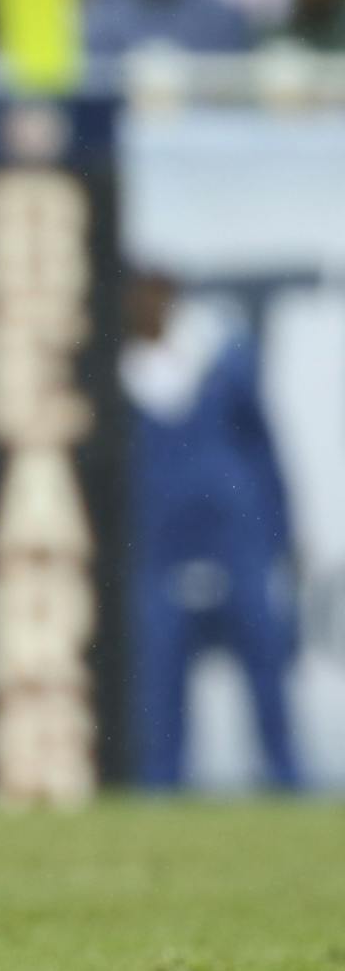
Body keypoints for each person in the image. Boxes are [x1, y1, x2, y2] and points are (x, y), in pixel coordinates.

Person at [122, 271, 302, 790]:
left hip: (234, 541)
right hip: (158, 549)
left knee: (267, 676)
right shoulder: (115, 375)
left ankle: (287, 784)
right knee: (160, 688)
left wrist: (281, 533)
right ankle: (162, 793)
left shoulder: (223, 361)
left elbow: (265, 453)